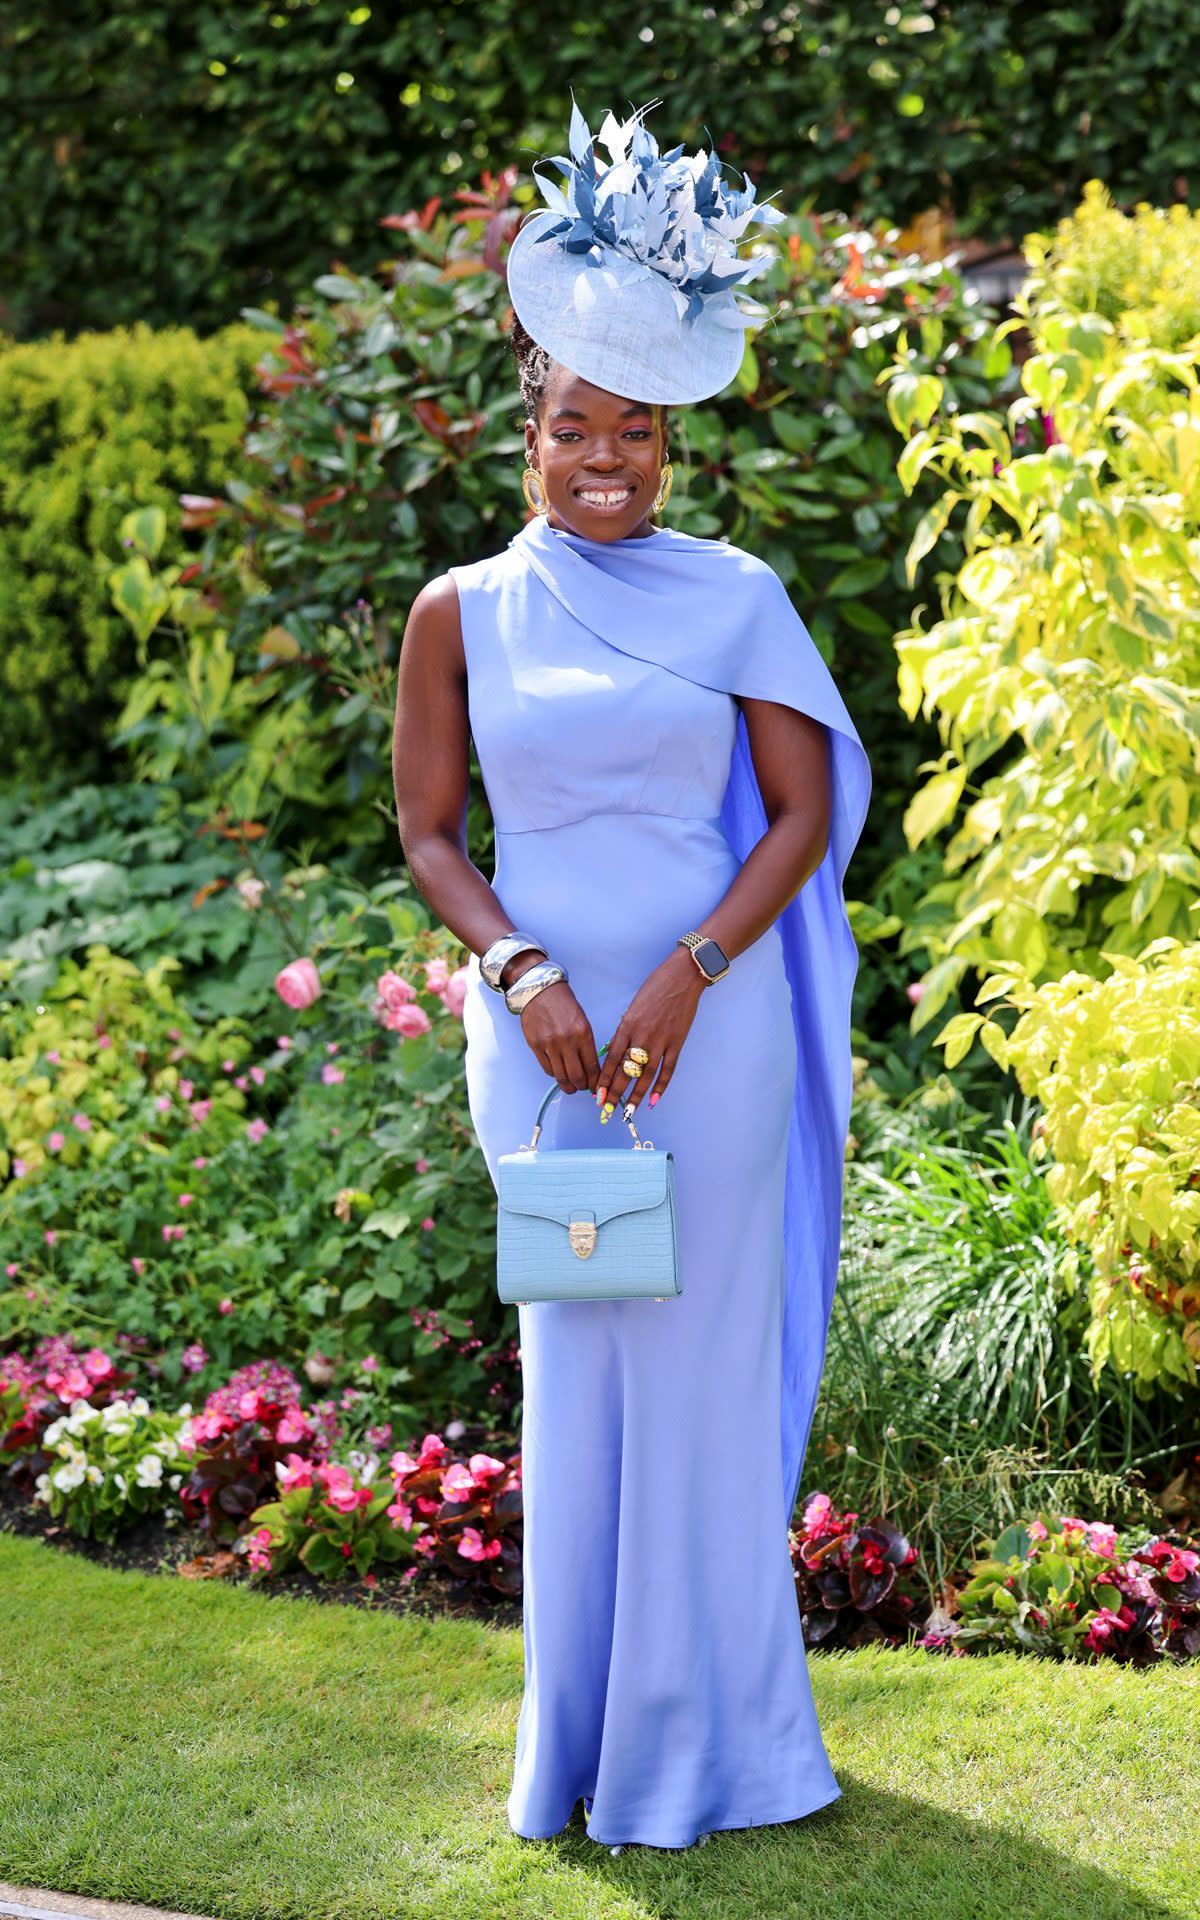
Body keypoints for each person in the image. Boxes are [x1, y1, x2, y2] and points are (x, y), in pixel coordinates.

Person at [392, 98, 872, 1854]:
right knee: (577, 1367)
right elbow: (434, 834)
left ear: (670, 448)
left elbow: (803, 813)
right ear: (534, 431)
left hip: (709, 1040)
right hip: (542, 1054)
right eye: (580, 427)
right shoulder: (459, 610)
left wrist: (686, 975)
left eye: (641, 435)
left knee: (695, 1364)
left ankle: (716, 1745)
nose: (612, 459)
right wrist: (522, 970)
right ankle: (579, 1753)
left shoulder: (737, 594)